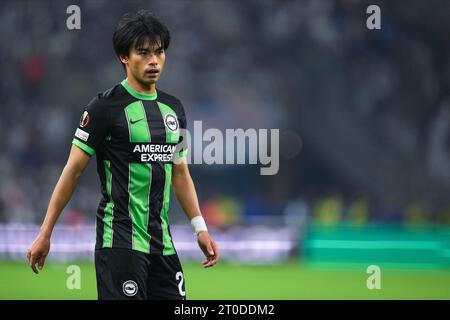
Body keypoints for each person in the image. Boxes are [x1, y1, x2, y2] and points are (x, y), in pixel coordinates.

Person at [27, 9, 220, 300]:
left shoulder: (174, 109)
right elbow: (73, 170)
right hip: (119, 243)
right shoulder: (104, 107)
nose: (154, 61)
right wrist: (46, 232)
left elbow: (180, 171)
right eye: (143, 53)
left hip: (162, 245)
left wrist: (200, 228)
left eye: (159, 52)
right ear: (124, 57)